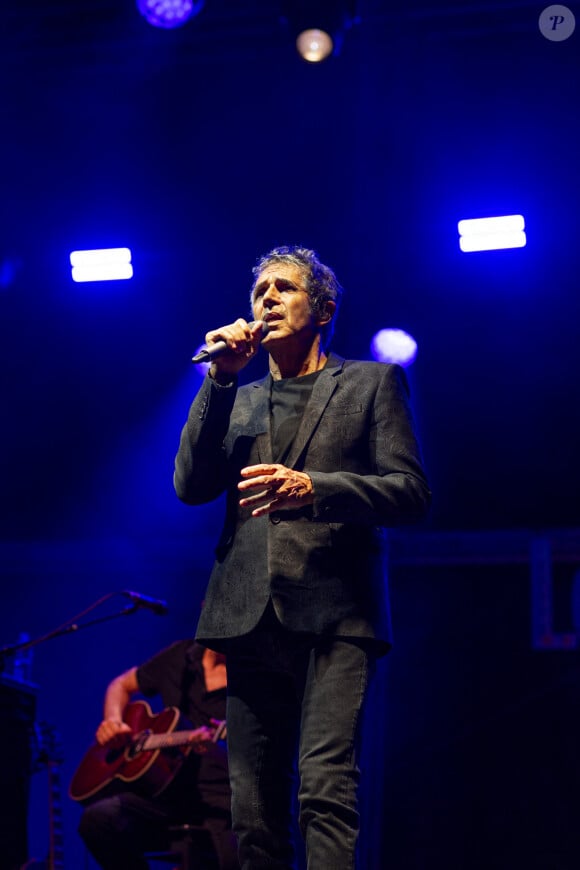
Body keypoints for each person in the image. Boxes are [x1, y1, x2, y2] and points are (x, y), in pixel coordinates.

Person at [173, 245, 431, 870]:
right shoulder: (235, 393)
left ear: (323, 309)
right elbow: (190, 485)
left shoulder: (372, 382)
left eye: (283, 288)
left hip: (337, 613)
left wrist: (317, 489)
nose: (266, 298)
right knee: (253, 811)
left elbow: (411, 493)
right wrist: (221, 379)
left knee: (323, 789)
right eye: (259, 290)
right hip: (247, 615)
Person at [77, 639, 239, 870]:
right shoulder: (180, 657)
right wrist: (113, 720)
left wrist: (219, 752)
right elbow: (120, 685)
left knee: (237, 859)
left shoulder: (254, 673)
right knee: (98, 821)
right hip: (165, 796)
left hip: (222, 800)